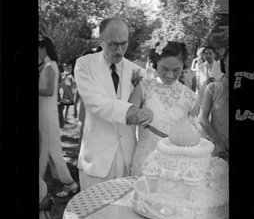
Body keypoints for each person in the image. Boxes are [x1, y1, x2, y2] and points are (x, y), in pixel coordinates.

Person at [74, 16, 153, 190]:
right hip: (97, 158)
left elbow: (148, 103)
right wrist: (130, 111)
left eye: (124, 44)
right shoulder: (84, 64)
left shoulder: (137, 71)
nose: (119, 50)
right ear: (101, 41)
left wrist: (148, 112)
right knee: (92, 212)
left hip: (128, 156)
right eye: (113, 44)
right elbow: (94, 103)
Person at [129, 41, 200, 176]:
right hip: (145, 158)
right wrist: (139, 114)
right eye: (165, 69)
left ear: (183, 66)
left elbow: (194, 137)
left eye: (176, 70)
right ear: (156, 64)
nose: (170, 75)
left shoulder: (191, 98)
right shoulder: (144, 87)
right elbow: (128, 115)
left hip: (175, 163)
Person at [39, 36, 78, 197]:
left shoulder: (49, 66)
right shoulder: (49, 66)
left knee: (53, 151)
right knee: (45, 151)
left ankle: (69, 183)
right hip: (46, 112)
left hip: (48, 114)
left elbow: (49, 91)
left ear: (44, 49)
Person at [198, 47, 229, 161]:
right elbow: (202, 118)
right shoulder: (213, 88)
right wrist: (218, 143)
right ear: (224, 60)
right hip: (220, 150)